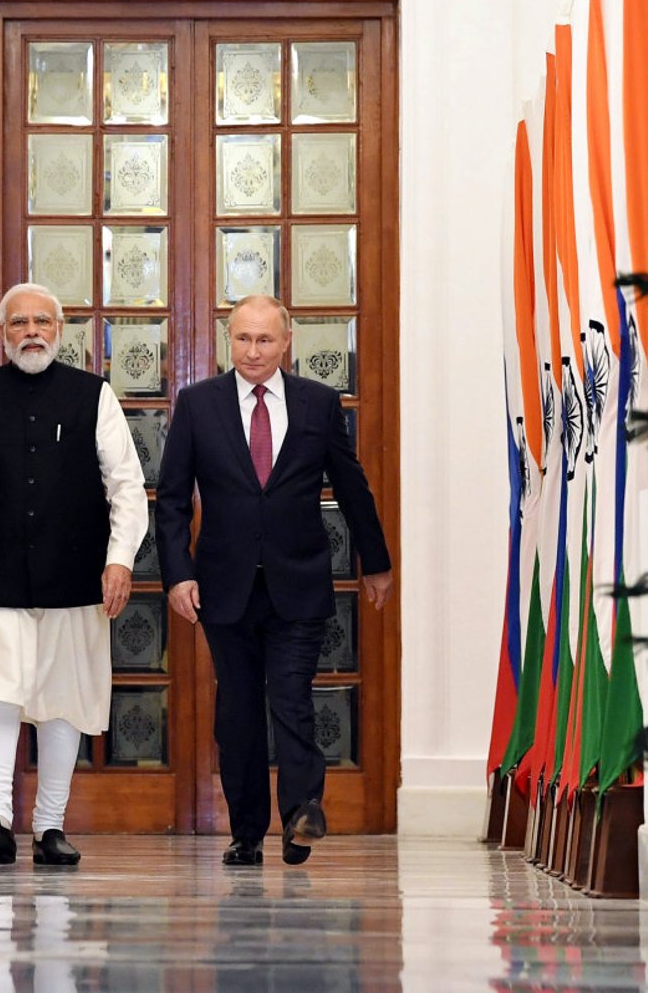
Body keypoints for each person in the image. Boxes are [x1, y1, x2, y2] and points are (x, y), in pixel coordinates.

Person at [155, 294, 393, 867]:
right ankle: (246, 833)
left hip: (299, 580)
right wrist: (178, 575)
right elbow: (172, 499)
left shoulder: (318, 403)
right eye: (242, 339)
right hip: (223, 586)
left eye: (264, 339)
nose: (253, 351)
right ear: (228, 340)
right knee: (237, 711)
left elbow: (352, 486)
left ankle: (302, 815)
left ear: (287, 342)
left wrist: (376, 562)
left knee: (292, 698)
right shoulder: (198, 404)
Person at [0, 282, 148, 866]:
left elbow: (127, 486)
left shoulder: (93, 395)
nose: (31, 332)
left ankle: (50, 825)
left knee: (63, 700)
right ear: (2, 333)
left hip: (74, 575)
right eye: (18, 323)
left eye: (42, 322)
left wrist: (119, 559)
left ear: (59, 330)